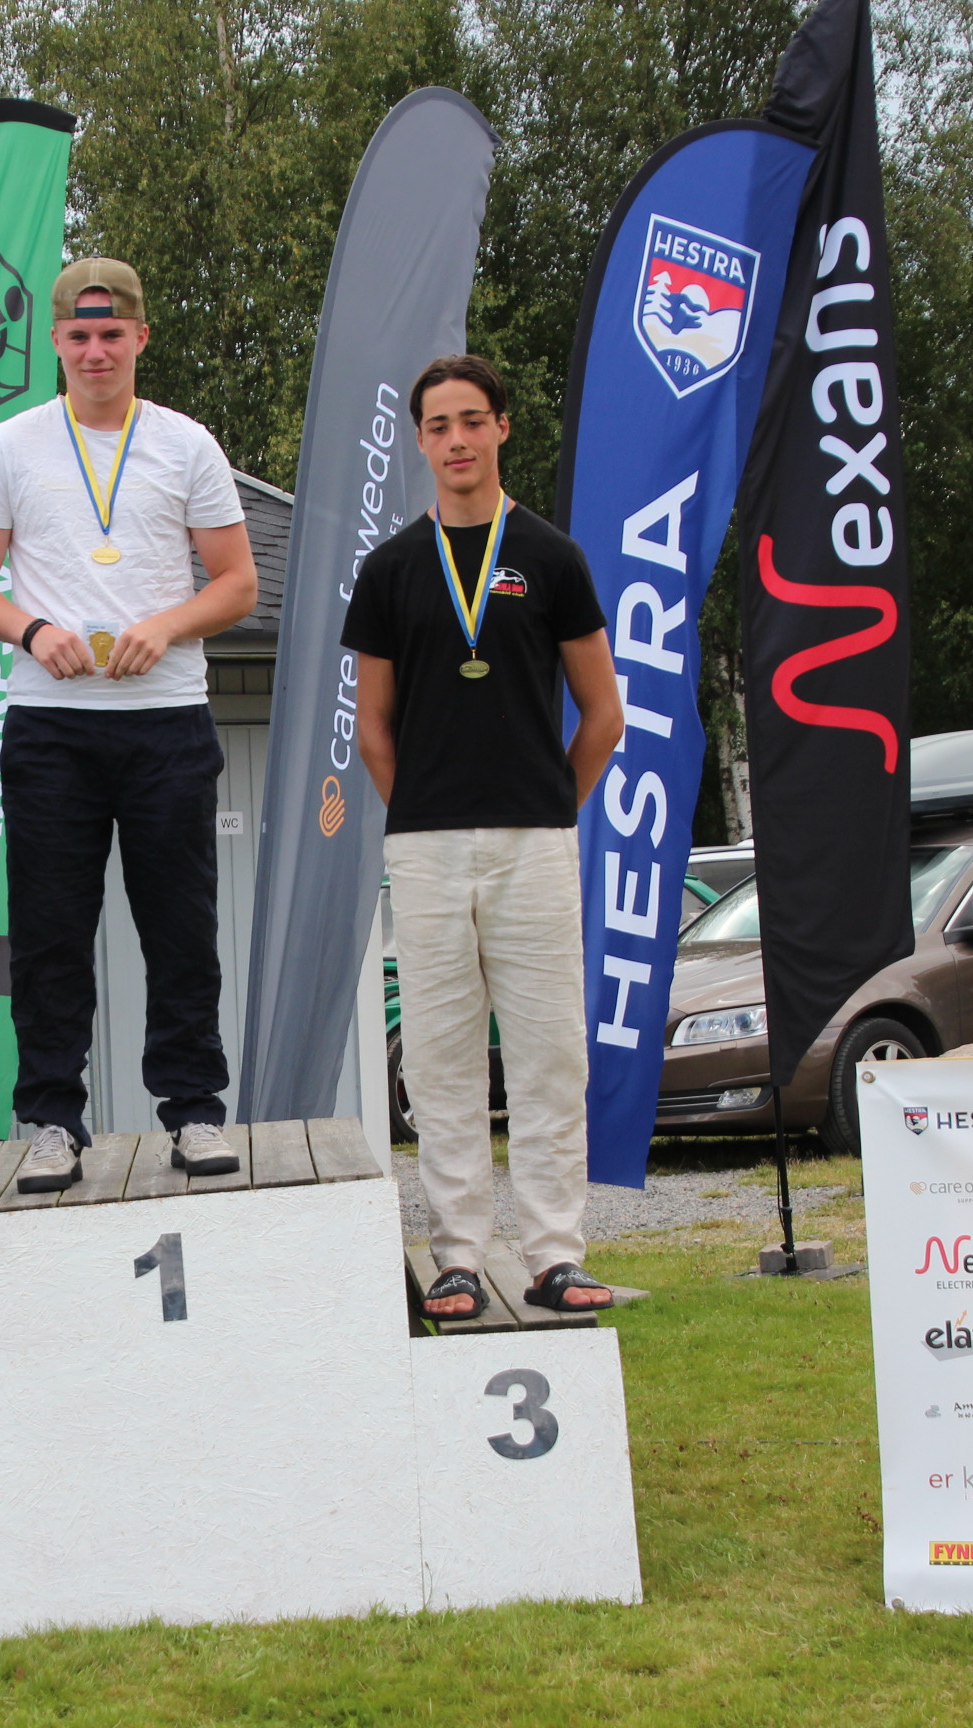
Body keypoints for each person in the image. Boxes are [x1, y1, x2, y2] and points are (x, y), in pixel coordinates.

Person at [0, 258, 259, 1193]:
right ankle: (52, 1120)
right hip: (51, 725)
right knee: (50, 934)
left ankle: (195, 1111)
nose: (95, 352)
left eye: (111, 335)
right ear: (54, 341)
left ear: (140, 338)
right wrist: (32, 630)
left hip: (165, 720)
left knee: (180, 927)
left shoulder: (187, 444)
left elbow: (238, 583)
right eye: (78, 336)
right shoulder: (10, 445)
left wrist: (166, 626)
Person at [342, 355, 626, 1318]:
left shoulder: (551, 556)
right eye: (439, 425)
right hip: (425, 849)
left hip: (534, 842)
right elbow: (373, 728)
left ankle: (555, 1255)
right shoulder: (390, 569)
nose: (457, 440)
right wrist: (422, 810)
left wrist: (550, 804)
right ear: (420, 441)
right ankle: (458, 1255)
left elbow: (603, 716)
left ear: (502, 426)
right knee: (439, 1058)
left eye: (473, 420)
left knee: (549, 1053)